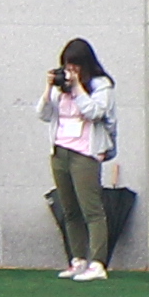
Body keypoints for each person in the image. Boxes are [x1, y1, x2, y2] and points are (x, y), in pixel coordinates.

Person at [38, 38, 118, 279]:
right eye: (66, 67)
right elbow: (43, 113)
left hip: (85, 151)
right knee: (69, 208)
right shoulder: (60, 87)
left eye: (75, 67)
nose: (70, 72)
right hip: (60, 150)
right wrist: (49, 88)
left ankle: (98, 262)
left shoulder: (100, 85)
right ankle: (77, 258)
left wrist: (78, 88)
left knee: (91, 208)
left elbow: (95, 112)